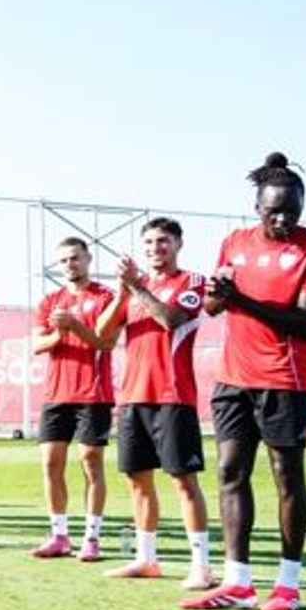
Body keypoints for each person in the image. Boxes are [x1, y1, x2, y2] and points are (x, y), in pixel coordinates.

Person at [184, 152, 306, 610]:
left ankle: (288, 585)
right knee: (229, 471)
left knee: (287, 476)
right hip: (233, 378)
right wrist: (217, 297)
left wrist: (240, 298)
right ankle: (238, 582)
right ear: (257, 207)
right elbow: (212, 308)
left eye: (293, 210)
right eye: (274, 211)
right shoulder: (233, 242)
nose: (284, 218)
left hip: (284, 379)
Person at [93, 218, 213, 587]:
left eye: (163, 241)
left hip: (172, 397)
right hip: (132, 398)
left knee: (182, 480)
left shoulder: (191, 282)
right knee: (137, 480)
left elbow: (170, 319)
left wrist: (137, 285)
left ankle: (201, 566)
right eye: (148, 243)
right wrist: (121, 292)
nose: (155, 248)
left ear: (178, 244)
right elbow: (101, 334)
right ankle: (146, 559)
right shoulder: (134, 290)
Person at [30, 238, 117, 561]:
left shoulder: (105, 296)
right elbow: (38, 345)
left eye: (75, 258)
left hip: (93, 393)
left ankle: (92, 537)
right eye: (64, 260)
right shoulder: (51, 300)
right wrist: (59, 333)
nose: (70, 264)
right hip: (56, 394)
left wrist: (74, 325)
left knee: (91, 462)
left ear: (88, 258)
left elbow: (106, 342)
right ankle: (59, 535)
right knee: (51, 464)